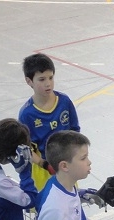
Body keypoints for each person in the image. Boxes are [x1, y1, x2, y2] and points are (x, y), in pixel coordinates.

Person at [19, 53, 81, 191]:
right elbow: (26, 148)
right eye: (41, 79)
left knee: (70, 204)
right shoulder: (27, 114)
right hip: (43, 170)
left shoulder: (64, 102)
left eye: (51, 78)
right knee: (46, 208)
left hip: (66, 165)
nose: (48, 83)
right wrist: (44, 164)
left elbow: (75, 131)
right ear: (29, 81)